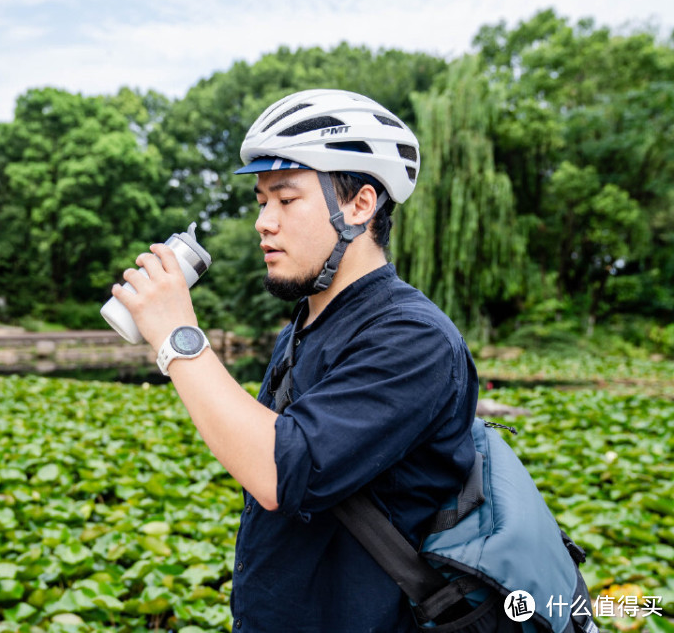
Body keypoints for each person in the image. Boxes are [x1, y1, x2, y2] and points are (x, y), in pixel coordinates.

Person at [111, 89, 479, 632]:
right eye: (262, 201)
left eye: (286, 200)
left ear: (360, 205)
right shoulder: (304, 329)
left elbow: (280, 472)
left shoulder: (413, 340)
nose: (264, 222)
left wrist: (178, 337)